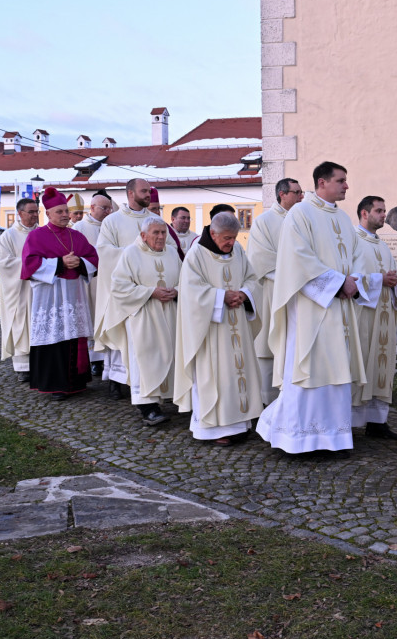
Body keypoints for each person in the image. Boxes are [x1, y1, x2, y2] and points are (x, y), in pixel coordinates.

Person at [255, 161, 369, 457]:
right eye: (341, 180)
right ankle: (298, 438)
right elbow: (298, 259)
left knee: (336, 371)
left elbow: (358, 255)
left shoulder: (343, 218)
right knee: (309, 371)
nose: (346, 186)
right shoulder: (300, 214)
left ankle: (333, 438)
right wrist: (338, 283)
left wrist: (354, 280)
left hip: (339, 309)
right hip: (311, 311)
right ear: (322, 183)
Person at [174, 212, 262, 445]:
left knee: (237, 375)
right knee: (215, 378)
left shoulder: (238, 251)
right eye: (226, 238)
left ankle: (240, 424)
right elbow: (191, 291)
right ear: (213, 234)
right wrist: (221, 297)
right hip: (211, 329)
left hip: (237, 324)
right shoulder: (196, 255)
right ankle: (213, 430)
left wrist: (244, 294)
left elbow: (252, 279)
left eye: (234, 237)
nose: (231, 242)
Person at [101, 216, 181, 426]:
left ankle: (169, 397)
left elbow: (186, 281)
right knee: (145, 360)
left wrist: (177, 291)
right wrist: (151, 292)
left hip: (170, 314)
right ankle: (147, 406)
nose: (161, 237)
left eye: (163, 232)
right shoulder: (131, 253)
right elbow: (119, 286)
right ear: (143, 235)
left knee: (170, 356)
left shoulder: (172, 253)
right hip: (143, 316)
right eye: (156, 233)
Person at [20, 188, 98, 401]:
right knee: (54, 336)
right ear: (48, 214)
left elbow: (93, 258)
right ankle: (56, 385)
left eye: (66, 211)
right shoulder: (36, 236)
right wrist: (59, 263)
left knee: (74, 336)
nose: (65, 215)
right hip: (50, 297)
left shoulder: (77, 236)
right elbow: (29, 265)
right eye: (59, 212)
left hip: (74, 295)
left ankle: (77, 382)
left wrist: (80, 262)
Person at [94, 179, 155, 399]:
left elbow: (167, 249)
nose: (148, 194)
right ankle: (116, 380)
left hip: (148, 289)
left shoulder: (155, 220)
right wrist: (135, 253)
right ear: (130, 193)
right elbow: (104, 251)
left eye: (149, 191)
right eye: (144, 191)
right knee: (121, 332)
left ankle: (148, 381)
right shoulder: (112, 221)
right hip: (123, 289)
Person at [248, 178, 305, 405]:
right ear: (282, 194)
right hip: (272, 292)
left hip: (299, 294)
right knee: (269, 347)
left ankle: (292, 400)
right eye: (297, 192)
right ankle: (266, 402)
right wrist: (294, 276)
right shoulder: (264, 222)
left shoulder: (302, 221)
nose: (301, 196)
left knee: (294, 347)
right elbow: (259, 260)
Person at [351, 195, 397, 439]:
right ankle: (350, 422)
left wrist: (394, 282)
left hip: (384, 315)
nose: (384, 215)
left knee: (381, 366)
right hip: (363, 316)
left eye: (384, 210)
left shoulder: (382, 245)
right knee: (361, 364)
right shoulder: (352, 241)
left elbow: (395, 276)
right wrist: (380, 279)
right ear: (364, 213)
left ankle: (377, 421)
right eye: (379, 211)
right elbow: (349, 277)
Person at [0, 198, 39, 382]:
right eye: (31, 212)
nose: (35, 215)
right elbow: (4, 264)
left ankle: (40, 364)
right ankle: (23, 367)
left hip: (40, 289)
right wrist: (32, 265)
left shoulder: (42, 234)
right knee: (20, 324)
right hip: (19, 290)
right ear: (20, 213)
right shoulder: (8, 236)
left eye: (36, 211)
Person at [74, 191, 113, 377]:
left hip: (109, 281)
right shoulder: (79, 228)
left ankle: (107, 358)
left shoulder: (111, 226)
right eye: (104, 208)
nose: (107, 212)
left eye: (109, 208)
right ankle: (94, 360)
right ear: (92, 208)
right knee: (91, 317)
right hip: (89, 281)